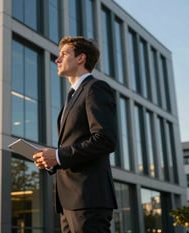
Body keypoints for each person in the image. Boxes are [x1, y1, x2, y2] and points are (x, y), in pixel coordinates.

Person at [33, 36, 117, 233]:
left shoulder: (95, 88)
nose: (57, 59)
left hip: (88, 198)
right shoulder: (71, 97)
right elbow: (74, 144)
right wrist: (52, 160)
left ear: (80, 58)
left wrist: (59, 155)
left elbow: (105, 139)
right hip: (68, 200)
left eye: (63, 54)